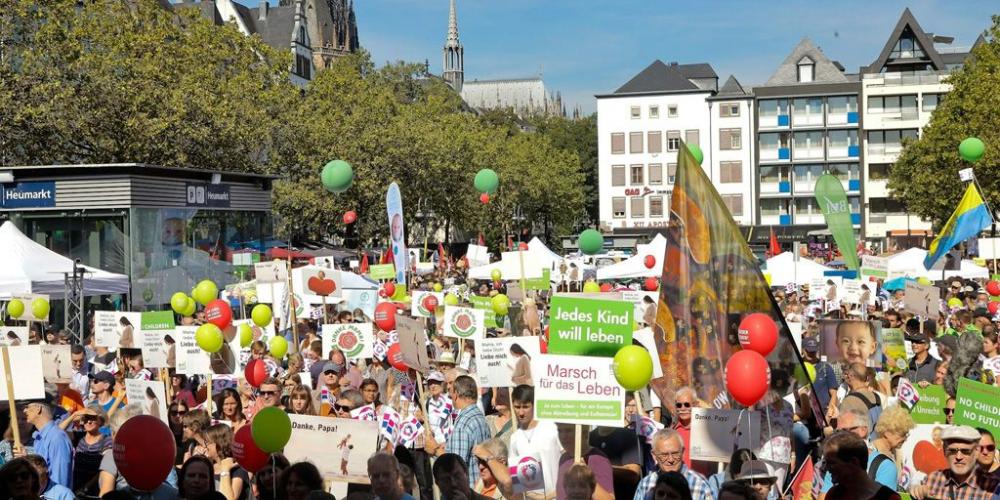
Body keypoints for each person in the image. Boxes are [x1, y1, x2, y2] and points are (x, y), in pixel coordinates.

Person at [427, 376, 490, 488]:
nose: (450, 396)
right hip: (479, 487)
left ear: (456, 395)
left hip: (467, 490)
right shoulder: (479, 416)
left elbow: (456, 465)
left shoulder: (463, 424)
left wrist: (436, 450)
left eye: (451, 393)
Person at [819, 408, 897, 496]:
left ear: (863, 430)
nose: (838, 437)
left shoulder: (884, 466)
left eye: (843, 431)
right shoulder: (836, 468)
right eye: (836, 432)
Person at [911, 425, 1000, 499]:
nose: (958, 457)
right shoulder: (934, 479)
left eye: (965, 451)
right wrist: (916, 490)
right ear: (945, 451)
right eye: (953, 451)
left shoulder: (991, 485)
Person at [506, 385, 561, 499]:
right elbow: (518, 481)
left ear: (534, 405)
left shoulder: (552, 428)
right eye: (517, 407)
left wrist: (550, 496)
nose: (521, 412)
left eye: (525, 407)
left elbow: (569, 463)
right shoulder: (514, 438)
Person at [634, 428, 712, 500]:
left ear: (683, 452)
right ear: (654, 455)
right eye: (664, 455)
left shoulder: (700, 484)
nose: (670, 460)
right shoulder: (645, 484)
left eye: (675, 453)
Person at [823, 430, 900, 500]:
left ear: (854, 462)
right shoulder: (834, 495)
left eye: (832, 463)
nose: (827, 468)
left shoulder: (888, 498)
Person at [63, 405, 112, 496]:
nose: (88, 422)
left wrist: (86, 488)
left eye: (93, 418)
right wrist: (74, 415)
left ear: (100, 421)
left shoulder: (106, 441)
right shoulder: (78, 437)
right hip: (75, 488)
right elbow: (57, 432)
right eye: (86, 418)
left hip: (94, 491)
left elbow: (104, 469)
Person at [23, 402, 72, 489]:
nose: (24, 410)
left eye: (27, 407)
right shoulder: (39, 437)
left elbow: (59, 482)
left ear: (38, 409)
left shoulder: (57, 437)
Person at [837, 362, 883, 440]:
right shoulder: (876, 396)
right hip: (876, 446)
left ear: (851, 376)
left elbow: (842, 432)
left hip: (860, 447)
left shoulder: (850, 401)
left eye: (848, 375)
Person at [203, 424, 250, 500]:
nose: (205, 446)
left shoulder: (237, 468)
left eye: (207, 442)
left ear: (218, 444)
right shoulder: (209, 467)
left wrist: (225, 470)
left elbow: (230, 498)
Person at [870, 405, 915, 482]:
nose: (905, 438)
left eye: (906, 434)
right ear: (887, 432)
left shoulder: (897, 453)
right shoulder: (871, 451)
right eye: (902, 434)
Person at [671, 386, 698, 468]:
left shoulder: (704, 430)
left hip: (701, 478)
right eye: (679, 405)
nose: (683, 408)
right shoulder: (672, 431)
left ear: (695, 405)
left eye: (687, 404)